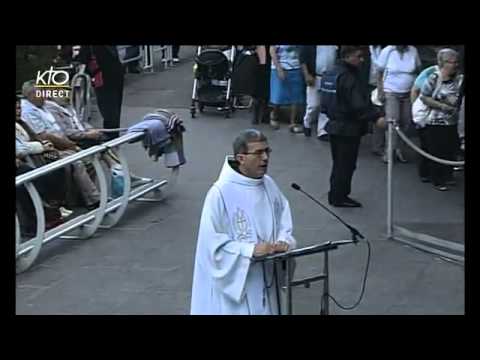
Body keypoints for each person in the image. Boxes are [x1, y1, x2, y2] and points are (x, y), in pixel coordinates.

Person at [190, 129, 297, 315]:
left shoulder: (269, 184)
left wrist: (284, 242)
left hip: (266, 277)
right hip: (237, 286)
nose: (265, 158)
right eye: (258, 153)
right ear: (241, 158)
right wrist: (249, 251)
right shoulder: (220, 193)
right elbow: (211, 244)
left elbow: (283, 221)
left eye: (267, 151)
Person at [325, 46, 385, 208]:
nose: (362, 60)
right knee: (345, 164)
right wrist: (376, 117)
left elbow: (325, 100)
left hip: (334, 124)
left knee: (338, 163)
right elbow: (358, 104)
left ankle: (336, 194)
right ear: (348, 56)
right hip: (347, 127)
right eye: (359, 56)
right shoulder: (348, 76)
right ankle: (339, 196)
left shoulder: (331, 72)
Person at [420, 48, 464, 191]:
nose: (454, 65)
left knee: (450, 149)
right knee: (436, 149)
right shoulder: (434, 77)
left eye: (456, 62)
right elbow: (424, 96)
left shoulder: (460, 79)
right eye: (451, 62)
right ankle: (436, 178)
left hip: (453, 121)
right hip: (435, 120)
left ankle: (448, 175)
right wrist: (442, 106)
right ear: (442, 63)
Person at [377, 45, 422, 163]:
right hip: (391, 91)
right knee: (393, 120)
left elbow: (418, 70)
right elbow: (379, 72)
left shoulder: (413, 50)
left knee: (406, 121)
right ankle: (389, 152)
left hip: (408, 92)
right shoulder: (387, 51)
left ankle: (399, 149)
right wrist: (380, 91)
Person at [77, 46, 125, 140]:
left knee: (109, 109)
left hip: (104, 77)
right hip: (112, 75)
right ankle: (113, 135)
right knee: (113, 109)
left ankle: (111, 135)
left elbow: (83, 58)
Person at [299, 45, 338, 140]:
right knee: (313, 105)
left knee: (326, 105)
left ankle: (322, 131)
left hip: (329, 77)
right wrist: (307, 75)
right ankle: (307, 122)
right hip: (315, 76)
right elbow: (303, 59)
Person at [411, 64, 439, 183]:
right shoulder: (430, 72)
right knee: (426, 145)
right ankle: (425, 172)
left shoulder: (456, 76)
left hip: (442, 117)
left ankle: (441, 174)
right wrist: (414, 111)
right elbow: (415, 90)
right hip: (424, 115)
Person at [269, 45, 305, 133]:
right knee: (278, 95)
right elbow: (272, 51)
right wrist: (279, 68)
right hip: (280, 66)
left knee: (295, 96)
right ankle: (274, 115)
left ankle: (293, 122)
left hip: (296, 67)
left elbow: (301, 52)